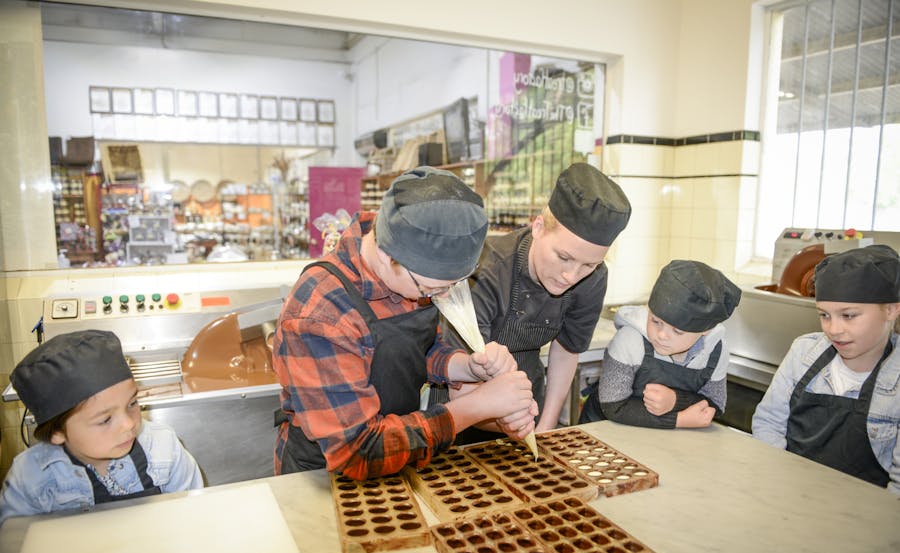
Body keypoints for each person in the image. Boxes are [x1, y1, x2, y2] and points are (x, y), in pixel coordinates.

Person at [273, 166, 537, 479]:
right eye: (432, 289)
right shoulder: (322, 314)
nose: (440, 295)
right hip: (329, 474)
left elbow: (416, 348)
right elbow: (358, 451)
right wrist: (474, 408)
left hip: (400, 455)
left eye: (451, 286)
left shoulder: (407, 266)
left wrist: (465, 367)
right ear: (387, 256)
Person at [434, 163, 632, 443]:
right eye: (563, 257)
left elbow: (566, 350)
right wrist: (511, 423)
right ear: (538, 227)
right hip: (463, 412)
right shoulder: (487, 270)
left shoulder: (594, 278)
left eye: (588, 264)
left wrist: (545, 427)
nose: (571, 276)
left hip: (526, 404)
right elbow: (461, 382)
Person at [0, 330, 204, 524]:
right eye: (105, 419)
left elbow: (193, 518)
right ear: (57, 431)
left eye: (132, 404)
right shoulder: (30, 479)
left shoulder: (164, 449)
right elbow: (15, 548)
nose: (129, 424)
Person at [752, 245, 900, 494]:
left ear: (892, 309)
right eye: (824, 315)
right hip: (788, 493)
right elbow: (769, 423)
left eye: (849, 316)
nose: (833, 329)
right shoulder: (803, 353)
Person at [579, 260, 741, 429]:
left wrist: (675, 400)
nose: (662, 335)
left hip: (657, 439)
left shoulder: (716, 350)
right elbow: (613, 405)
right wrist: (679, 419)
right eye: (655, 321)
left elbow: (715, 405)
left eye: (677, 331)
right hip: (601, 432)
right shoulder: (630, 339)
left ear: (706, 330)